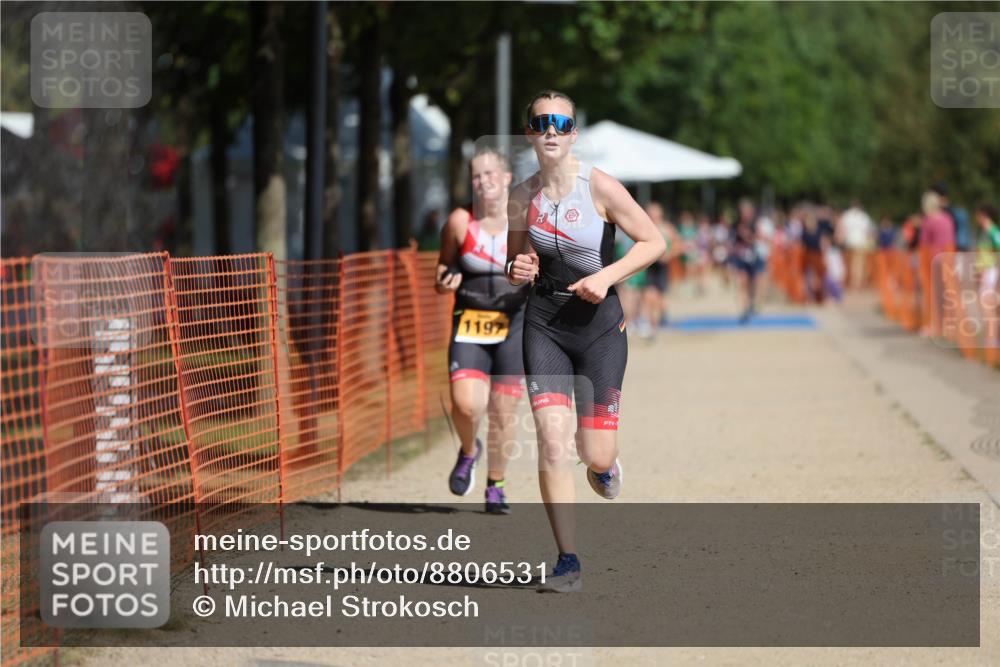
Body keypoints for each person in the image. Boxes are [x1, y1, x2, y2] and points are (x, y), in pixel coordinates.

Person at [505, 90, 665, 592]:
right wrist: (517, 269)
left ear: (573, 132)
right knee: (552, 443)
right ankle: (567, 561)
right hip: (545, 324)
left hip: (599, 327)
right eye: (540, 122)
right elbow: (516, 264)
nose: (551, 130)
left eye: (561, 122)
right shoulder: (520, 195)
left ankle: (604, 462)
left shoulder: (599, 188)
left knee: (594, 454)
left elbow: (654, 241)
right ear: (529, 131)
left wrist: (608, 276)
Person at [435, 147, 529, 514]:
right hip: (470, 321)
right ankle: (468, 452)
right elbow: (443, 268)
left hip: (514, 324)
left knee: (503, 413)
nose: (483, 181)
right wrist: (445, 281)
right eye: (477, 175)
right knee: (465, 403)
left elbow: (540, 265)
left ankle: (496, 486)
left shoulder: (523, 220)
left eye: (491, 173)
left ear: (507, 178)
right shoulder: (460, 221)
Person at [639, 202, 678, 337]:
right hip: (650, 266)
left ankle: (661, 317)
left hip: (662, 267)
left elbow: (678, 245)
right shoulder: (645, 228)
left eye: (655, 213)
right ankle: (652, 326)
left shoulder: (667, 228)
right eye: (650, 213)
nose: (653, 216)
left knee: (660, 298)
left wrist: (668, 255)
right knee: (650, 296)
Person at [840, 200, 874, 289]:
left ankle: (855, 282)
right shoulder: (862, 216)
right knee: (856, 264)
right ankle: (855, 282)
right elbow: (869, 232)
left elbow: (842, 229)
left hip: (854, 243)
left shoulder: (848, 215)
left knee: (855, 264)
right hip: (856, 243)